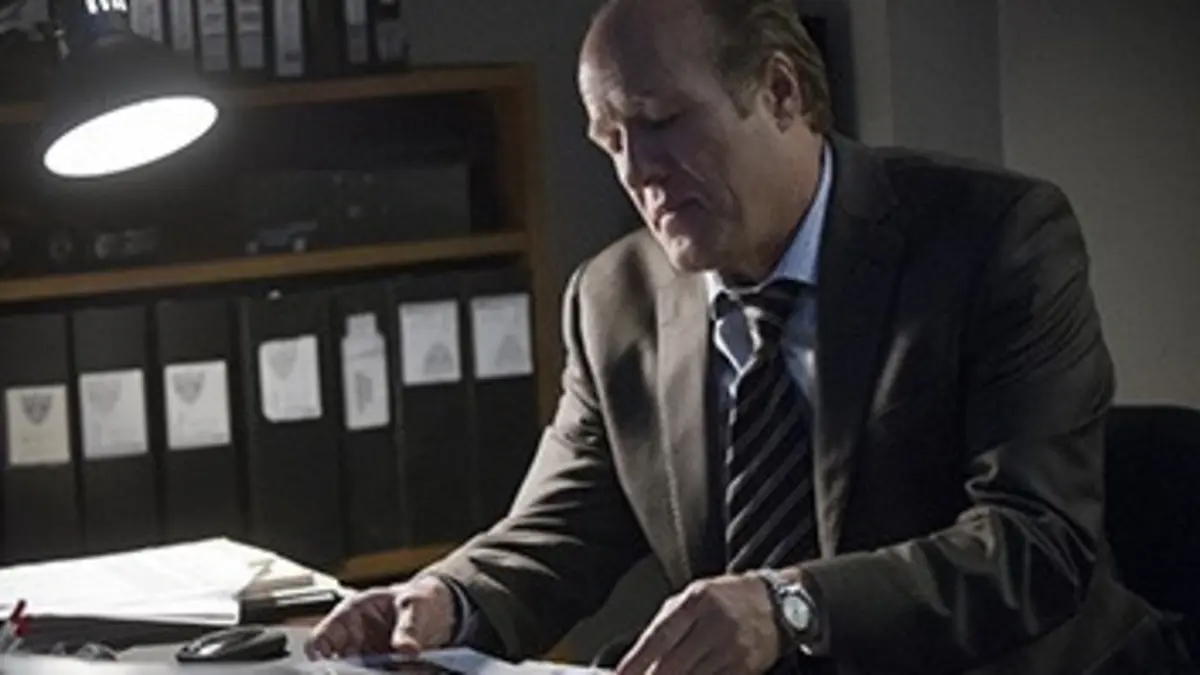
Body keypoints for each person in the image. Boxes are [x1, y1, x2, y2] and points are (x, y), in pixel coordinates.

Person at [307, 0, 1183, 672]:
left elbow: (1036, 541)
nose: (636, 170)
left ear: (780, 92)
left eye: (660, 121)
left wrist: (789, 607)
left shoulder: (993, 237)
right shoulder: (614, 298)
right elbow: (563, 524)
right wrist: (450, 596)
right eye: (611, 139)